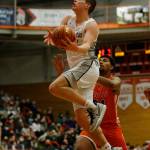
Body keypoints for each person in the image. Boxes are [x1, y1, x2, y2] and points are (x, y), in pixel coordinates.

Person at [44, 0, 111, 149]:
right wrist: (54, 38)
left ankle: (93, 108)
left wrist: (76, 47)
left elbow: (87, 46)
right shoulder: (67, 20)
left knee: (54, 87)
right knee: (83, 120)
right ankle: (107, 147)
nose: (74, 0)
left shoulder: (91, 25)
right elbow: (62, 42)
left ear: (87, 5)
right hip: (77, 69)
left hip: (87, 66)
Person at [75, 54, 127, 150]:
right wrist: (61, 72)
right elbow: (71, 86)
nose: (101, 61)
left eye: (105, 60)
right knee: (80, 146)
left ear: (111, 67)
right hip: (93, 126)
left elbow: (112, 85)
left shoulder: (116, 80)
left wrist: (91, 76)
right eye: (100, 60)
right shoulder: (89, 83)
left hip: (111, 127)